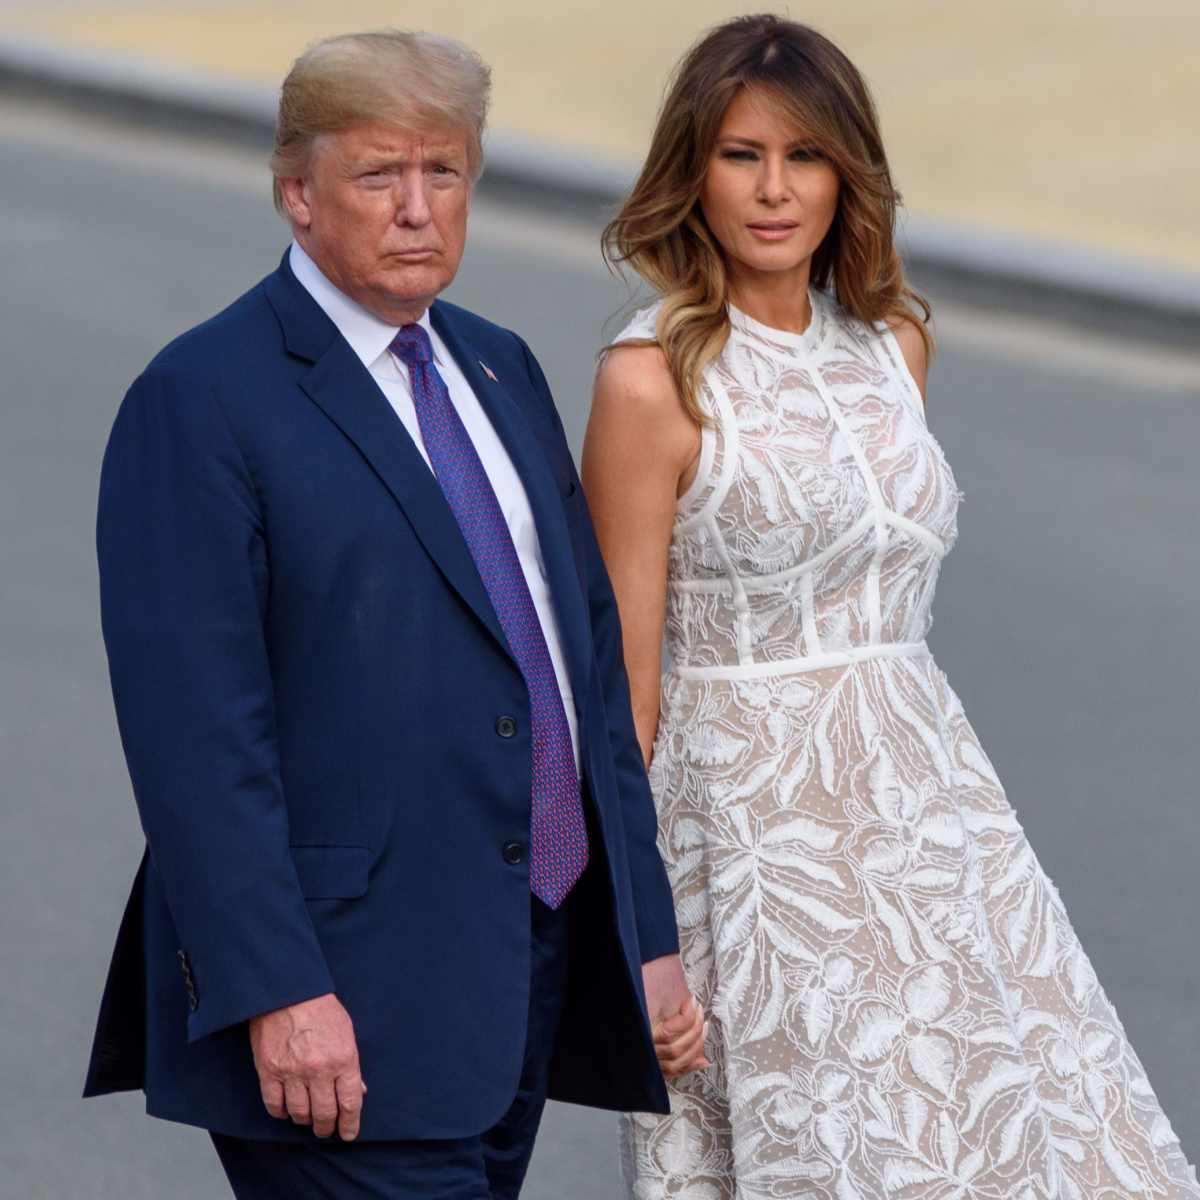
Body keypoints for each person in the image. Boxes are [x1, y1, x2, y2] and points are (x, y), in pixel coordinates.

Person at [82, 29, 706, 1200]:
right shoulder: (201, 398)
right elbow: (195, 741)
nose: (419, 208)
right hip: (337, 1004)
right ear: (297, 193)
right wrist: (275, 988)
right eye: (379, 175)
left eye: (445, 172)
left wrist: (647, 936)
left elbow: (583, 679)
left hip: (521, 973)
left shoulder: (501, 368)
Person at [584, 14, 1200, 1199]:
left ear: (847, 174)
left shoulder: (895, 345)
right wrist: (637, 930)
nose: (774, 191)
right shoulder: (648, 378)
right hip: (755, 846)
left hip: (931, 822)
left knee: (1008, 1141)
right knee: (836, 1155)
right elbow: (628, 689)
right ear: (691, 170)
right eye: (741, 155)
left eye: (805, 157)